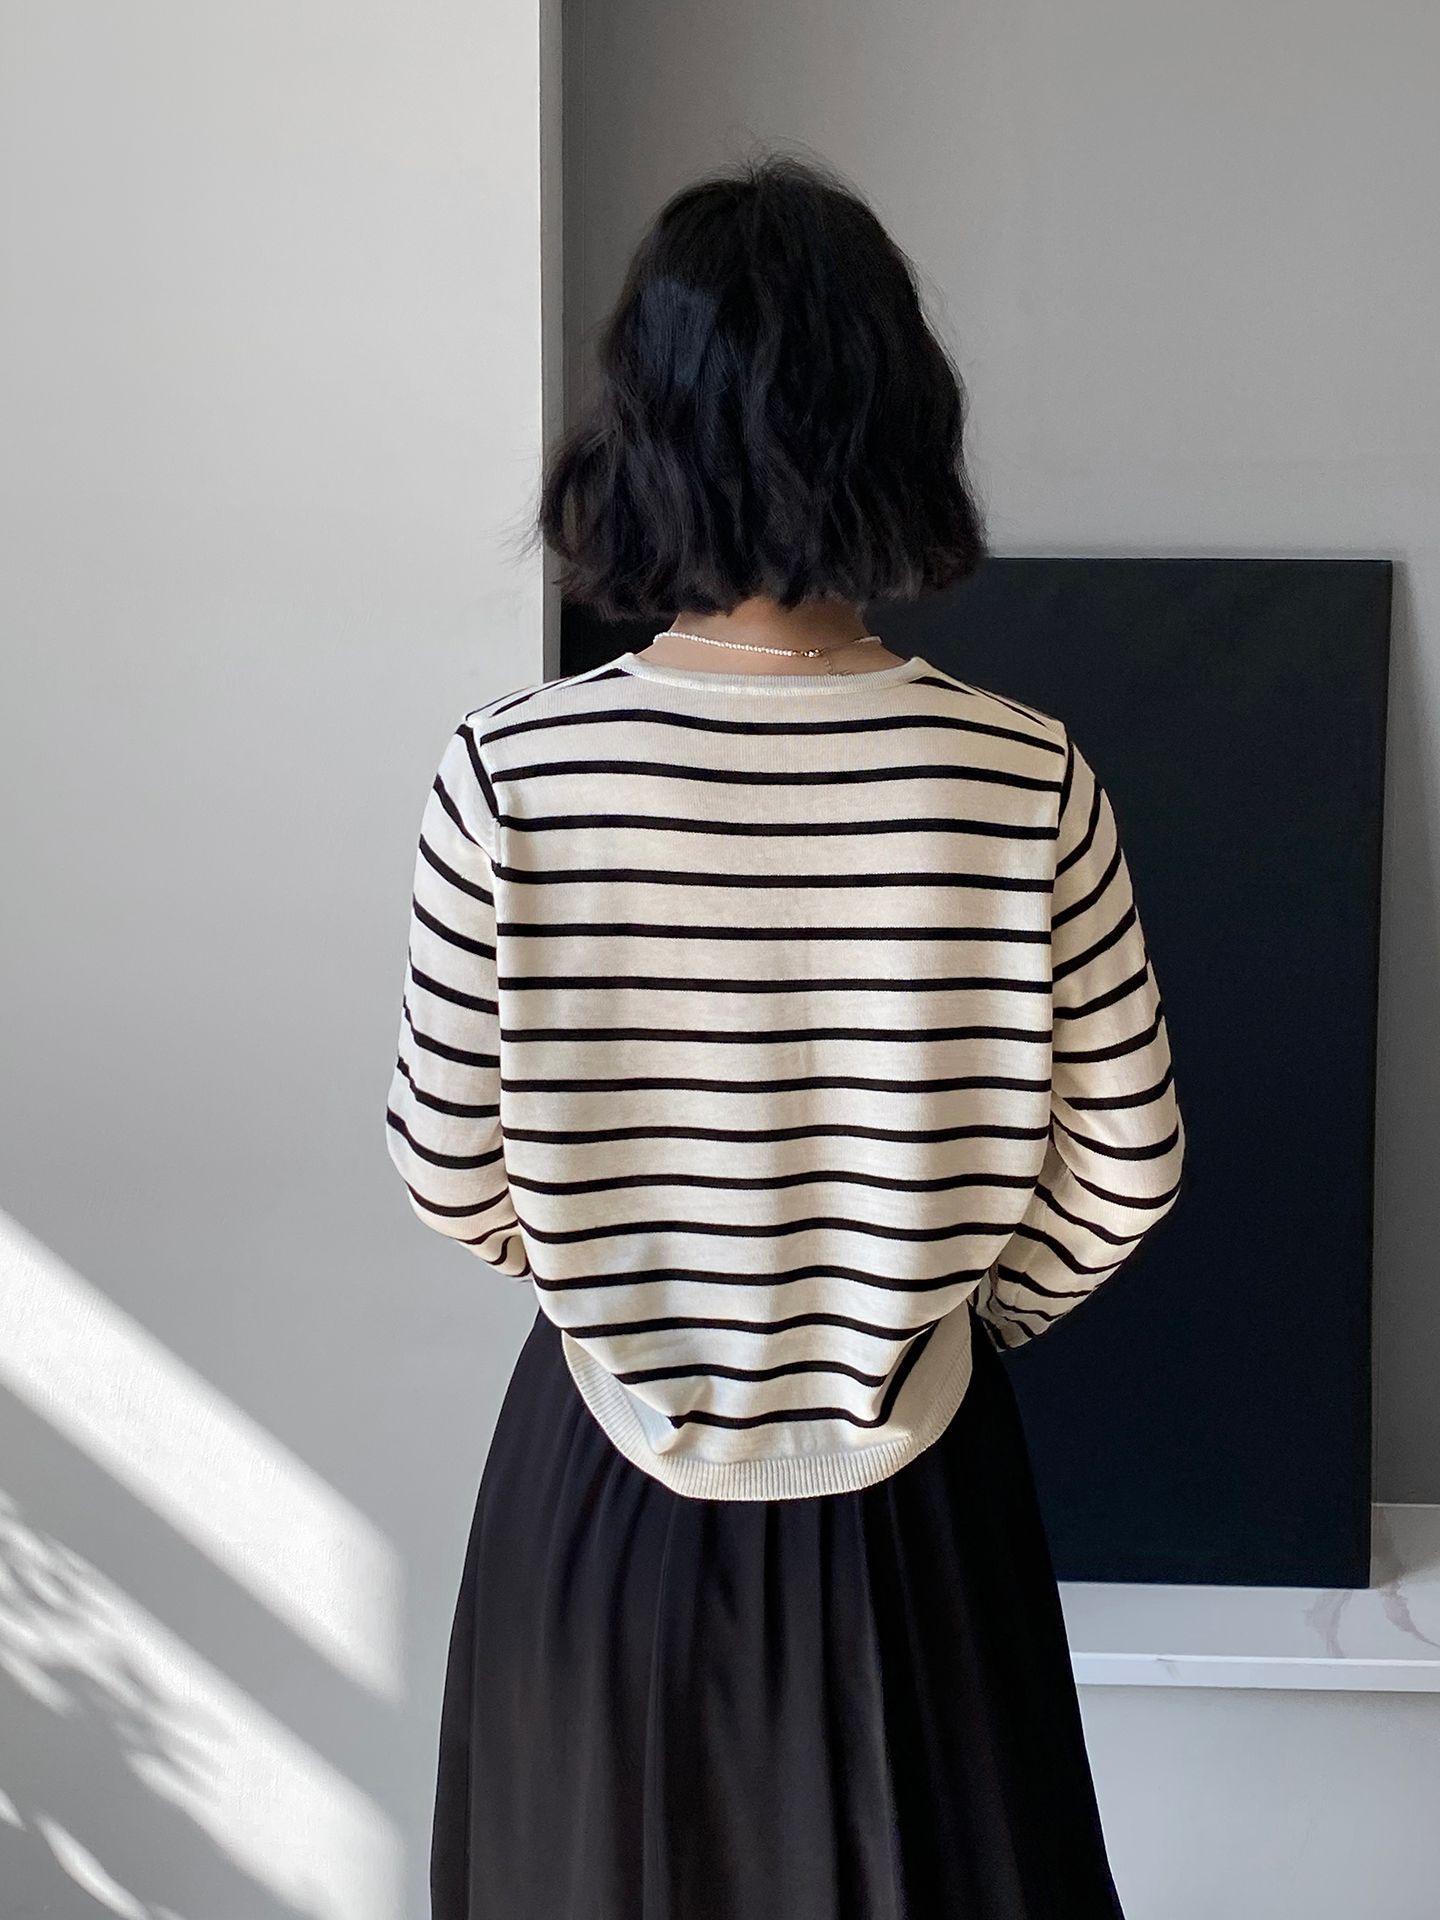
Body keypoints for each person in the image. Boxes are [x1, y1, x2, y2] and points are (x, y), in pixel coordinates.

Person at [384, 151, 1186, 1920]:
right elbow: (1127, 1166)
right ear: (902, 420)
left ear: (638, 431)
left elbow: (449, 1168)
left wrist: (619, 1272)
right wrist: (938, 1312)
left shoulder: (511, 775)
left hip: (600, 1505)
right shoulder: (1022, 775)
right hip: (919, 1498)